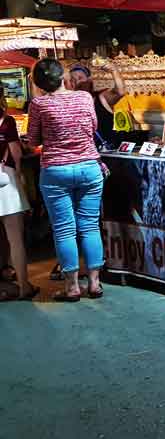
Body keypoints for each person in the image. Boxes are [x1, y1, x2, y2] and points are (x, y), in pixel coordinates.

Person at [27, 58, 105, 301]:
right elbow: (92, 127)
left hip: (56, 171)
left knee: (64, 230)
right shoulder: (83, 98)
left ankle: (72, 287)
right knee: (90, 225)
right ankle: (94, 283)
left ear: (39, 83)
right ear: (63, 77)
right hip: (89, 168)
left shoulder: (38, 104)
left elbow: (33, 140)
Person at [0, 90, 37, 301]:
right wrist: (21, 176)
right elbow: (16, 153)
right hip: (5, 181)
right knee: (15, 239)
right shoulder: (7, 122)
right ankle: (24, 286)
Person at [68, 63, 127, 147]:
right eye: (72, 80)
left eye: (80, 78)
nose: (77, 82)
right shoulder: (68, 105)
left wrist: (114, 71)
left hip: (105, 152)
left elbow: (120, 92)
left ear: (89, 80)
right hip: (82, 152)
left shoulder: (101, 97)